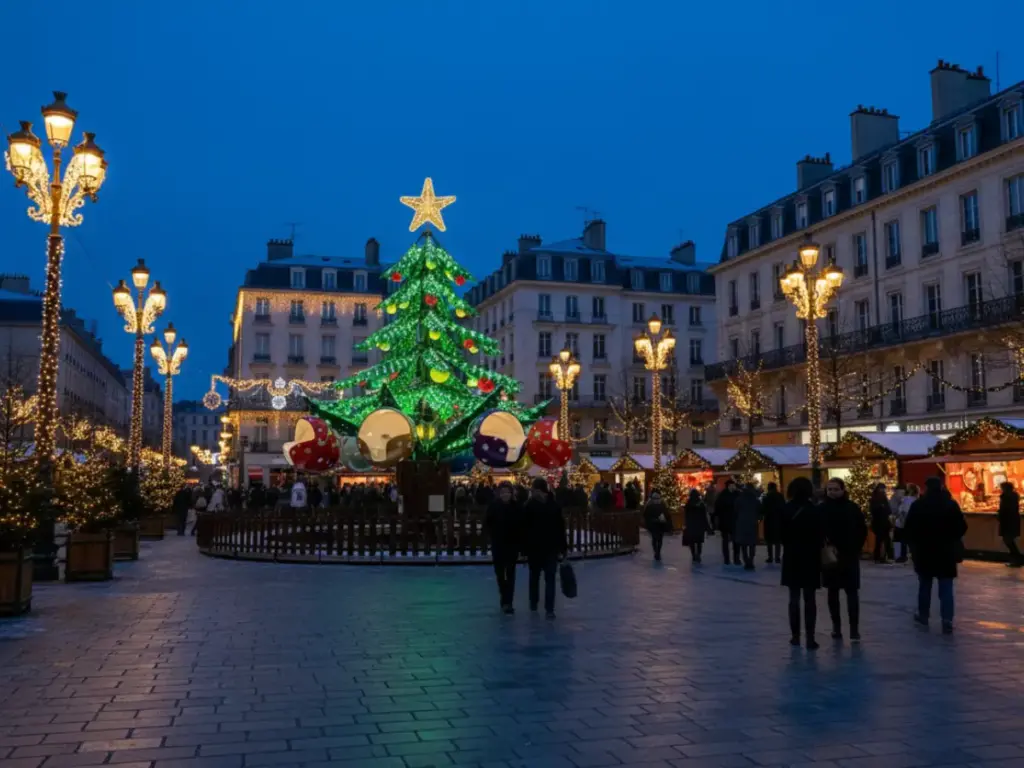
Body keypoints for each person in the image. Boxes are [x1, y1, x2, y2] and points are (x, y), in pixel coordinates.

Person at [903, 476, 968, 634]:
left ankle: (923, 615)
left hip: (924, 552)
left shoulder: (919, 505)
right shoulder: (951, 505)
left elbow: (909, 528)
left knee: (924, 586)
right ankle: (947, 620)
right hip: (946, 552)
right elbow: (962, 527)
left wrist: (915, 545)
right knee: (946, 588)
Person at [821, 478, 868, 642]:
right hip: (831, 557)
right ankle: (836, 627)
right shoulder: (822, 508)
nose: (832, 492)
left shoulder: (852, 508)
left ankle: (854, 629)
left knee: (851, 593)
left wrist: (855, 547)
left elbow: (862, 529)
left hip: (849, 555)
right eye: (829, 489)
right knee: (832, 593)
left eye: (835, 489)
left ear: (842, 490)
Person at [781, 476, 824, 650]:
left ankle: (795, 636)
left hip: (792, 556)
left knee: (793, 598)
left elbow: (780, 534)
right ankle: (811, 637)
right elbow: (821, 535)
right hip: (811, 557)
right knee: (810, 598)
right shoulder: (814, 510)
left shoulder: (785, 510)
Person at [523, 478, 568, 618]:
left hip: (544, 548)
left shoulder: (535, 505)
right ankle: (541, 605)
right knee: (541, 578)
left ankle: (543, 606)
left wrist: (562, 548)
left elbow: (560, 528)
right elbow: (524, 530)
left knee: (543, 578)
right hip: (542, 548)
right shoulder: (544, 505)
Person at [486, 481, 523, 613]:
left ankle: (509, 601)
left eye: (507, 492)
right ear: (499, 494)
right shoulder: (494, 507)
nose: (505, 495)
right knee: (501, 575)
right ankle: (504, 598)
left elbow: (521, 527)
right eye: (503, 493)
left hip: (512, 546)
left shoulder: (516, 507)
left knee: (511, 574)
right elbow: (487, 524)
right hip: (498, 545)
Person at [733, 484, 760, 570]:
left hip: (742, 524)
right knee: (752, 544)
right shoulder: (755, 500)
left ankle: (746, 561)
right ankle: (751, 561)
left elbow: (735, 511)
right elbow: (760, 511)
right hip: (752, 523)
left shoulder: (739, 499)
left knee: (743, 544)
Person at [714, 480, 739, 564]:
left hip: (729, 521)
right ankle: (731, 558)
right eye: (733, 485)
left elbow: (716, 509)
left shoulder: (723, 495)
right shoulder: (734, 494)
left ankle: (732, 558)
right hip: (728, 521)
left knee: (733, 541)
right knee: (729, 541)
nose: (734, 486)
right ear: (729, 486)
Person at [643, 490, 672, 562]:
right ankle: (658, 552)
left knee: (654, 539)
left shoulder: (649, 505)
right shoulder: (662, 505)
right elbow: (667, 514)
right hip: (660, 524)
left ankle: (656, 551)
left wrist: (650, 521)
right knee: (660, 539)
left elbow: (646, 515)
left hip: (653, 525)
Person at [997, 481, 1022, 567]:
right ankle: (1016, 559)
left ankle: (1017, 559)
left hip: (1007, 522)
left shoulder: (1006, 497)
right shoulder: (1014, 496)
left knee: (1008, 540)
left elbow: (1004, 510)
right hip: (1013, 521)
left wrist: (999, 515)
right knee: (1009, 540)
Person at [683, 488, 710, 564]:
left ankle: (693, 555)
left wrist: (686, 524)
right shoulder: (701, 504)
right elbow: (704, 516)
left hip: (691, 525)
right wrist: (707, 527)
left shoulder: (688, 504)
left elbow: (686, 515)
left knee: (692, 541)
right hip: (699, 525)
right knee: (699, 542)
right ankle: (698, 554)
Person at [761, 482, 785, 564]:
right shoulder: (780, 496)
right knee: (777, 540)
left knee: (769, 540)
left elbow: (763, 509)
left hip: (769, 520)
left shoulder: (766, 497)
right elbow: (783, 507)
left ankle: (770, 557)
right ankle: (777, 557)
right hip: (778, 520)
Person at [870, 484, 894, 563]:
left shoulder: (882, 498)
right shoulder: (875, 499)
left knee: (884, 540)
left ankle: (884, 556)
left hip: (883, 522)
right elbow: (873, 510)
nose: (882, 490)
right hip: (879, 522)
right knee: (881, 540)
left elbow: (888, 509)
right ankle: (880, 556)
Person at [894, 483, 918, 563]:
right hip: (911, 522)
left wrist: (902, 520)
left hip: (905, 522)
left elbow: (903, 511)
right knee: (910, 540)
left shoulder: (907, 499)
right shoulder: (915, 499)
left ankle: (904, 556)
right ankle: (912, 555)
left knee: (904, 540)